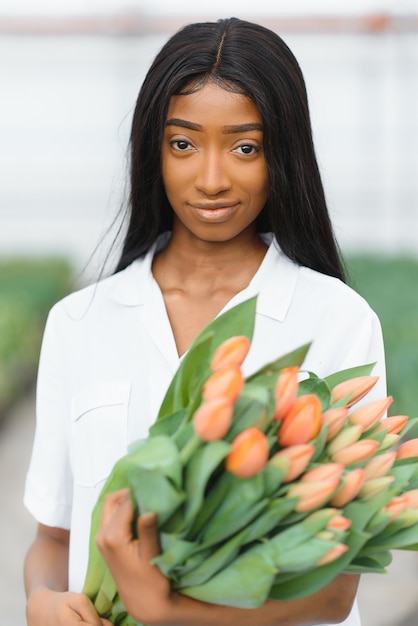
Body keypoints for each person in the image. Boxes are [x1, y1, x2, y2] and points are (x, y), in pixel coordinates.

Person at [23, 17, 386, 626]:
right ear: (152, 149)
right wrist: (40, 599)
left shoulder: (337, 321)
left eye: (245, 146)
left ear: (282, 153)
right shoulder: (78, 323)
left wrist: (168, 611)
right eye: (183, 144)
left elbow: (335, 592)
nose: (212, 179)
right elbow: (53, 539)